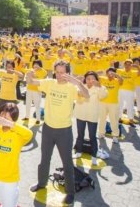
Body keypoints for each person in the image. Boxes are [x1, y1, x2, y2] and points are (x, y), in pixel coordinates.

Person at [27, 60, 89, 205]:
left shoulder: (71, 88)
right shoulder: (49, 83)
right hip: (48, 128)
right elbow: (32, 81)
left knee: (67, 163)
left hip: (64, 131)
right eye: (57, 72)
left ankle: (70, 192)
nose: (60, 75)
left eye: (63, 72)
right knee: (44, 159)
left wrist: (77, 82)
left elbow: (86, 95)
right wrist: (28, 74)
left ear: (67, 72)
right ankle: (42, 183)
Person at [73, 71, 107, 166]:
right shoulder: (81, 87)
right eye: (88, 78)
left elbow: (103, 95)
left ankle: (94, 156)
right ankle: (78, 152)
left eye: (93, 79)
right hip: (81, 114)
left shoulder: (100, 88)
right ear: (85, 79)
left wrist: (99, 86)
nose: (90, 81)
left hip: (92, 115)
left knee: (92, 136)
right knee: (80, 134)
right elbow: (76, 97)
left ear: (96, 79)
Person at [98, 68, 123, 143]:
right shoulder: (103, 79)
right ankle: (101, 133)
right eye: (109, 73)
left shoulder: (117, 81)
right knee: (102, 118)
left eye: (112, 73)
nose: (110, 75)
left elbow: (121, 81)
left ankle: (115, 135)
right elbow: (93, 76)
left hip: (113, 103)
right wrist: (98, 72)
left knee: (114, 120)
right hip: (103, 102)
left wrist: (115, 75)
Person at [116, 59, 140, 126]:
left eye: (129, 64)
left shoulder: (133, 72)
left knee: (130, 105)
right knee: (120, 104)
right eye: (126, 64)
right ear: (124, 64)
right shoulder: (120, 71)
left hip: (130, 91)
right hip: (120, 90)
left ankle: (131, 119)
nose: (127, 65)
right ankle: (118, 117)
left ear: (131, 65)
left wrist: (137, 67)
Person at [24, 60, 48, 124]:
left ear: (40, 65)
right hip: (29, 89)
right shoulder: (30, 70)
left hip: (37, 91)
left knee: (37, 105)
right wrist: (29, 75)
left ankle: (38, 119)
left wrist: (33, 77)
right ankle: (27, 116)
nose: (35, 66)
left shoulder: (43, 71)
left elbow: (41, 81)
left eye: (37, 64)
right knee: (28, 103)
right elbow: (27, 80)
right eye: (34, 64)